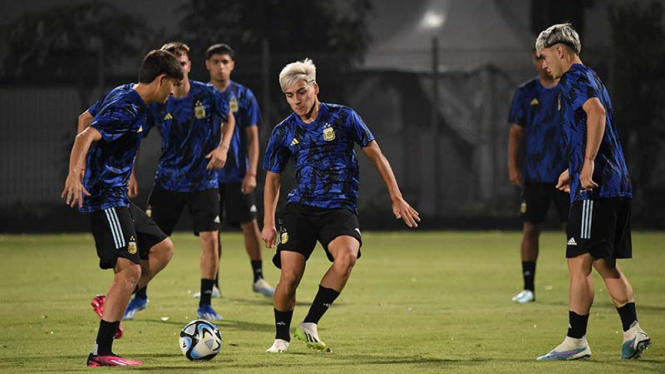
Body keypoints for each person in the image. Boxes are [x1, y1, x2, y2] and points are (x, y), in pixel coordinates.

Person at [262, 58, 420, 353]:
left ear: (314, 88)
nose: (296, 100)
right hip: (300, 209)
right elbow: (272, 180)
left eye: (301, 92)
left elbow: (377, 156)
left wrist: (396, 196)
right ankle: (280, 338)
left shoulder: (343, 117)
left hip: (339, 208)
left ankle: (310, 323)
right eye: (289, 95)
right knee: (290, 275)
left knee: (347, 258)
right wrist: (269, 222)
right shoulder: (283, 131)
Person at [534, 23, 650, 361]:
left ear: (560, 51)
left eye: (544, 57)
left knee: (578, 263)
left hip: (594, 191)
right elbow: (597, 125)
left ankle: (576, 341)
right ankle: (632, 331)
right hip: (615, 185)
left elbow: (596, 114)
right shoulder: (593, 77)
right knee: (603, 262)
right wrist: (574, 168)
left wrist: (586, 165)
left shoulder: (573, 79)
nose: (543, 66)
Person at [61, 49, 182, 367]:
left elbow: (84, 118)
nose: (172, 92)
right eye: (172, 85)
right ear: (161, 80)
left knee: (163, 249)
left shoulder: (126, 92)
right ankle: (101, 352)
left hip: (118, 196)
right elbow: (86, 134)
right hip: (106, 199)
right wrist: (77, 172)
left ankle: (110, 301)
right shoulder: (127, 108)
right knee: (130, 271)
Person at [123, 42, 235, 322]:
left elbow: (229, 119)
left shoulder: (207, 94)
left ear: (189, 65)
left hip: (204, 181)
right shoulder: (160, 99)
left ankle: (206, 303)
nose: (179, 68)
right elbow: (137, 137)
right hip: (169, 181)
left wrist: (223, 148)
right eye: (173, 63)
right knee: (151, 243)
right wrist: (131, 173)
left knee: (210, 239)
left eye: (183, 63)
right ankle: (140, 297)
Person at [196, 43, 274, 299]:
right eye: (216, 61)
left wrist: (252, 173)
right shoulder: (198, 95)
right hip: (207, 176)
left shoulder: (243, 95)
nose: (220, 66)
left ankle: (259, 277)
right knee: (211, 229)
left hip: (238, 174)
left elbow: (253, 138)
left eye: (225, 61)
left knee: (250, 224)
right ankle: (213, 284)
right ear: (207, 64)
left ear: (232, 65)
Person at [507, 50, 569, 304]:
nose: (542, 65)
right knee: (531, 230)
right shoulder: (526, 92)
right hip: (535, 175)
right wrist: (512, 166)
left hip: (566, 174)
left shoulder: (569, 89)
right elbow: (516, 132)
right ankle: (528, 288)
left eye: (545, 58)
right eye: (537, 59)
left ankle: (578, 282)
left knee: (574, 232)